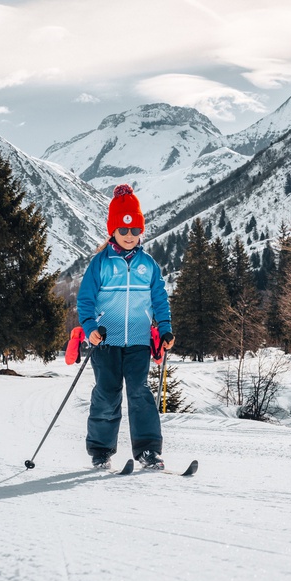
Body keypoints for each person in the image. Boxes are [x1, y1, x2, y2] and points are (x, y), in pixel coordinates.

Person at [76, 184, 175, 470]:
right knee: (107, 394)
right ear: (113, 231)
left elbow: (159, 297)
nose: (130, 236)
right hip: (105, 342)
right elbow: (85, 300)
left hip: (139, 342)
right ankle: (100, 451)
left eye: (135, 231)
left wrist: (165, 327)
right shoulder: (100, 263)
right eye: (124, 230)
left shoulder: (148, 264)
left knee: (140, 393)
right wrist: (90, 327)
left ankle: (148, 451)